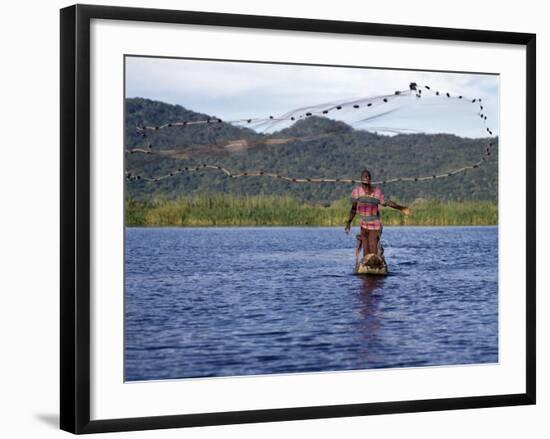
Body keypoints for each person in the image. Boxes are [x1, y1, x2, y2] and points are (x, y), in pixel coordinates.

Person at [344, 169, 410, 258]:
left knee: (373, 252)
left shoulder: (377, 192)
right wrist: (349, 222)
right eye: (364, 185)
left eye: (368, 184)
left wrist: (402, 208)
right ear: (361, 182)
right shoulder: (356, 193)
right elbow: (353, 209)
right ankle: (369, 263)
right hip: (363, 226)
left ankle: (378, 252)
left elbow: (388, 202)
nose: (366, 188)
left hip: (375, 227)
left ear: (370, 181)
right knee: (366, 254)